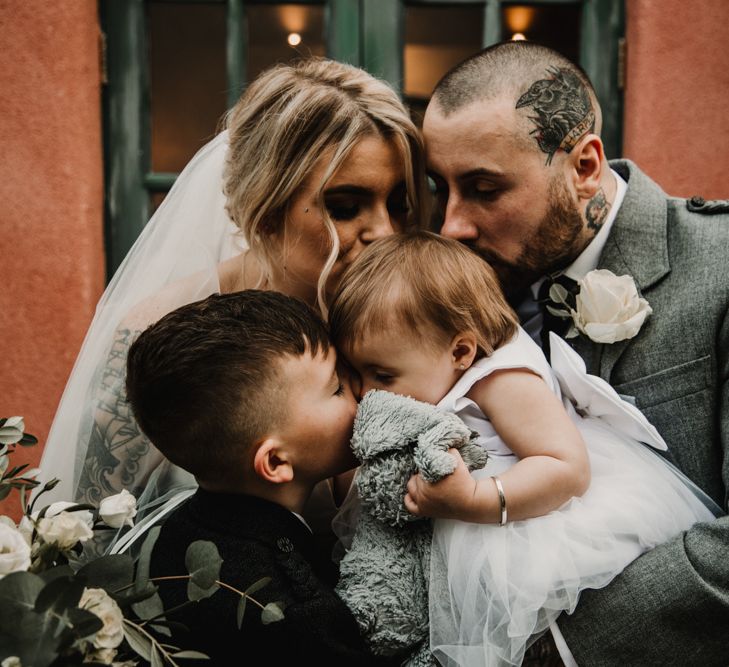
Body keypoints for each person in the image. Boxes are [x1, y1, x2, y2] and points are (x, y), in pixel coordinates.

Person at [422, 41, 729, 665]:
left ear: (584, 166)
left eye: (484, 188)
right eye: (441, 188)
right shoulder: (454, 289)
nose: (452, 224)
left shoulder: (721, 270)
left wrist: (555, 651)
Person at [37, 58, 427, 531]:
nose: (385, 232)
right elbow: (85, 530)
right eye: (345, 208)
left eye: (399, 204)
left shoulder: (415, 320)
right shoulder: (162, 331)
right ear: (264, 210)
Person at [328, 231, 720, 667]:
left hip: (530, 524)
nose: (365, 392)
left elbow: (567, 468)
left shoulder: (502, 380)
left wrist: (475, 499)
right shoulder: (429, 374)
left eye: (381, 375)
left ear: (460, 350)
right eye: (354, 374)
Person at [124, 289, 399, 666]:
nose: (361, 389)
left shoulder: (164, 533)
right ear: (275, 461)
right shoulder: (296, 613)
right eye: (336, 387)